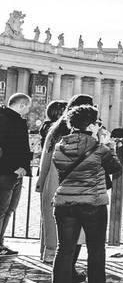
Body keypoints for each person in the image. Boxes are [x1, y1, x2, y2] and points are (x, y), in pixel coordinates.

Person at [50, 104, 123, 283]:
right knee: (96, 247)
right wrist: (106, 143)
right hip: (92, 202)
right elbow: (115, 168)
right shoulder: (98, 147)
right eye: (97, 122)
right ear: (91, 124)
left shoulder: (60, 146)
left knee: (64, 250)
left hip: (64, 202)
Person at [41, 95, 95, 279]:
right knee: (76, 230)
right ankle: (68, 272)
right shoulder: (84, 133)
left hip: (54, 183)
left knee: (60, 231)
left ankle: (61, 275)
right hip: (75, 186)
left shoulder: (55, 129)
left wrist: (42, 182)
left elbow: (45, 159)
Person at [35, 100, 69, 262]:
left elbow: (45, 159)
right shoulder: (60, 132)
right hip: (59, 179)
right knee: (57, 219)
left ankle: (46, 251)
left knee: (48, 217)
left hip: (49, 178)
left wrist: (41, 181)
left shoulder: (50, 130)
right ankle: (52, 254)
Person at [0, 93, 32, 255]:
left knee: (9, 210)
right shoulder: (4, 118)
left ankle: (1, 244)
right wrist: (13, 167)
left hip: (16, 173)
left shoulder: (15, 119)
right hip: (6, 173)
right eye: (28, 107)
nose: (28, 110)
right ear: (22, 105)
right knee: (1, 210)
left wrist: (23, 168)